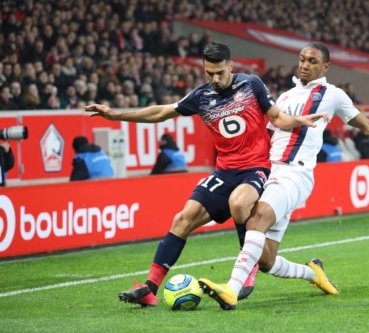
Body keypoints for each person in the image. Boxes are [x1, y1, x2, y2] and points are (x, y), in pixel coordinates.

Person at [198, 42, 369, 310]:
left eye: (312, 61)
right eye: (302, 59)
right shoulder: (285, 97)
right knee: (265, 260)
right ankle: (314, 273)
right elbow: (266, 136)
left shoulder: (332, 95)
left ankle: (231, 289)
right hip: (270, 172)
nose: (304, 64)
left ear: (325, 67)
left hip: (294, 173)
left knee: (257, 219)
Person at [84, 42, 326, 307]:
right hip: (224, 171)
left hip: (256, 167)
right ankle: (150, 288)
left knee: (239, 203)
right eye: (210, 73)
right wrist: (117, 114)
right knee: (182, 218)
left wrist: (298, 121)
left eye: (220, 72)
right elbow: (162, 112)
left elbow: (277, 117)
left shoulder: (252, 85)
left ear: (231, 66)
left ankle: (247, 274)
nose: (215, 79)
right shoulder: (201, 96)